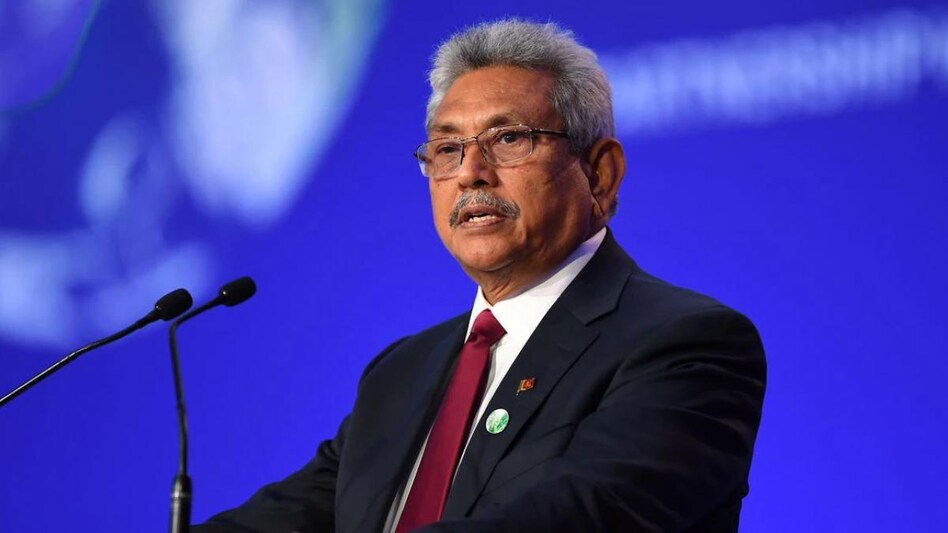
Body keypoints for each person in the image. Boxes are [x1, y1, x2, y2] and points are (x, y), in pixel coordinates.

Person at [194, 19, 766, 533]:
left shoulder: (685, 344)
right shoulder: (401, 372)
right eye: (447, 148)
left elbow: (583, 515)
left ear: (600, 173)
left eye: (509, 139)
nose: (470, 172)